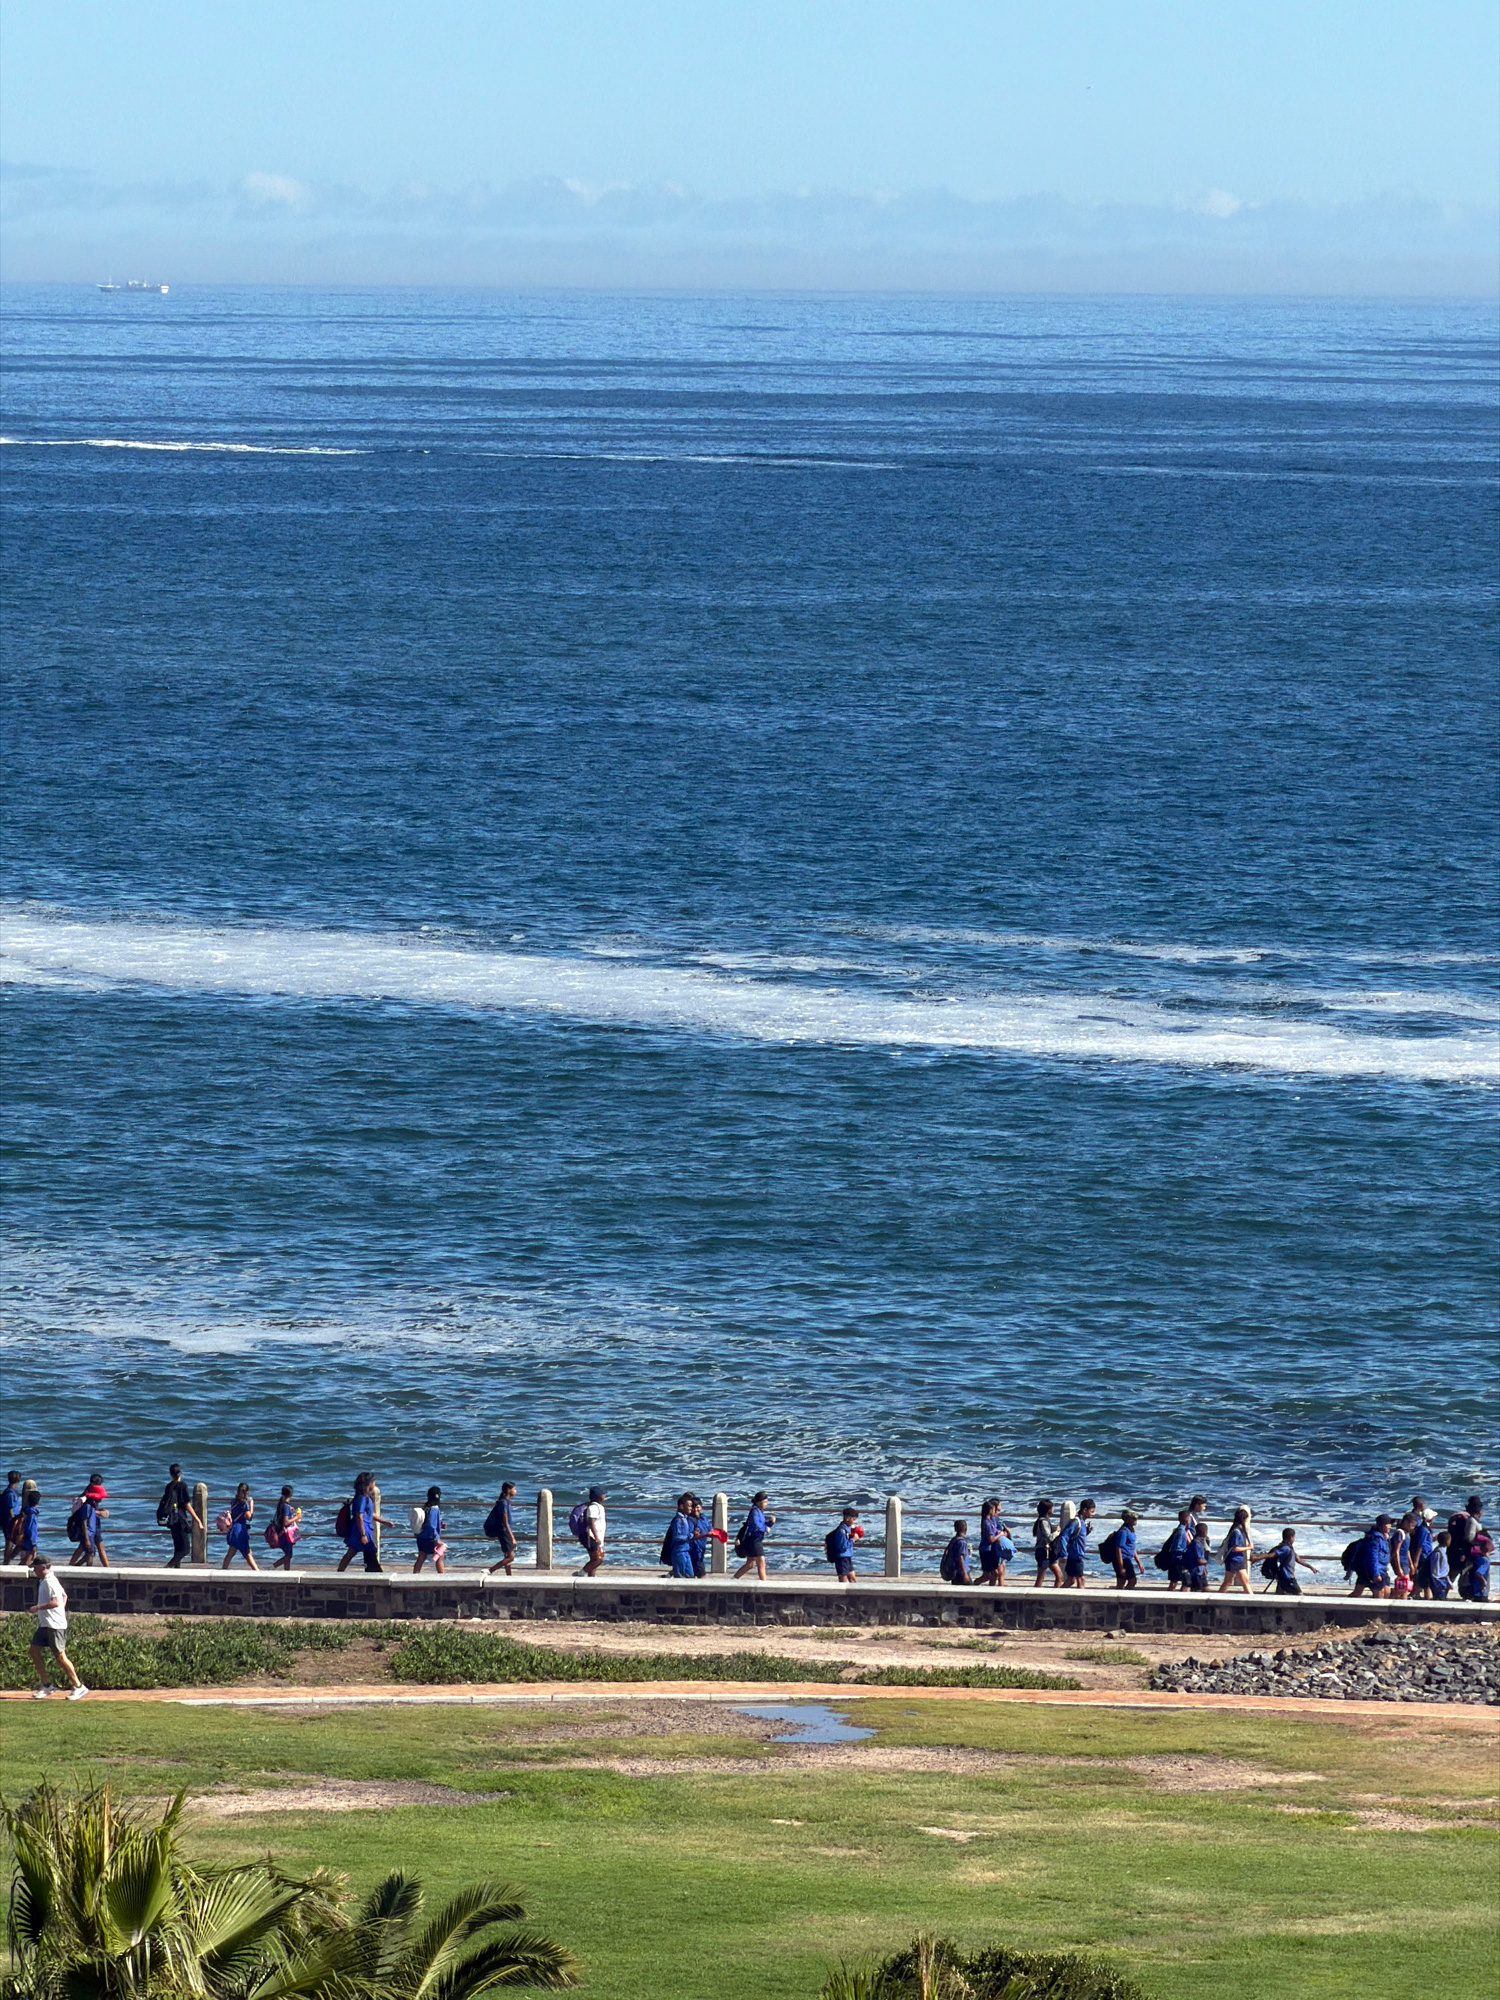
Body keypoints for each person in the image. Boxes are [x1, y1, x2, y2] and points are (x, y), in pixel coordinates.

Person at [29, 1557, 86, 1700]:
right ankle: (47, 1685)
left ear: (43, 1567)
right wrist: (59, 1610)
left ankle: (79, 1686)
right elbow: (64, 1596)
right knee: (34, 1651)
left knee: (60, 1656)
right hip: (45, 1624)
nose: (34, 1570)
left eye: (35, 1567)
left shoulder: (50, 1581)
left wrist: (37, 1608)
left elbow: (55, 1602)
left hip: (55, 1625)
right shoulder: (45, 1580)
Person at [337, 1472, 388, 1574]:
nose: (375, 1483)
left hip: (364, 1528)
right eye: (373, 1482)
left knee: (361, 1551)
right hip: (361, 1529)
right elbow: (359, 1516)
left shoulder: (365, 1497)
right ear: (369, 1483)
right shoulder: (362, 1498)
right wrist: (363, 1535)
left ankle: (371, 1570)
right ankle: (340, 1572)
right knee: (354, 1551)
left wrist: (384, 1521)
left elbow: (369, 1514)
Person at [158, 1464, 203, 1568]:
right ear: (180, 1473)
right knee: (185, 1549)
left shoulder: (169, 1486)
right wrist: (198, 1520)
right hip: (180, 1519)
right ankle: (169, 1566)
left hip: (171, 1520)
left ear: (170, 1474)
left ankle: (176, 1569)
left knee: (178, 1548)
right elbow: (187, 1505)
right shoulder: (182, 1486)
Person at [733, 1491, 775, 1581]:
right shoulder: (754, 1511)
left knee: (750, 1564)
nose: (766, 1504)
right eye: (765, 1502)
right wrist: (766, 1528)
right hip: (753, 1540)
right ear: (759, 1502)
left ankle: (733, 1579)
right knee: (761, 1561)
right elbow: (756, 1525)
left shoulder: (760, 1511)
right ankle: (764, 1583)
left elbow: (762, 1524)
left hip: (756, 1539)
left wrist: (770, 1523)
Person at [68, 1477, 109, 1567]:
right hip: (89, 1525)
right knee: (89, 1550)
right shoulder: (87, 1498)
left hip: (93, 1524)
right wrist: (99, 1512)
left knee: (94, 1547)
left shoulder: (89, 1493)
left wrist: (101, 1511)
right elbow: (85, 1512)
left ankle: (73, 1565)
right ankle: (74, 1565)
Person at [1350, 1515, 1393, 1599]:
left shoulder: (1384, 1538)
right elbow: (1372, 1558)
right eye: (1387, 1524)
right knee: (1378, 1593)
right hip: (1372, 1570)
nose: (1390, 1526)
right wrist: (1375, 1574)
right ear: (1381, 1525)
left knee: (1387, 1591)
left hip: (1382, 1569)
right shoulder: (1374, 1539)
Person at [1266, 1527, 1318, 1595]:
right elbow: (1271, 1555)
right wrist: (1256, 1557)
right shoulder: (1286, 1548)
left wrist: (1310, 1567)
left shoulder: (1289, 1548)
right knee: (1299, 1594)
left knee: (1279, 1594)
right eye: (1294, 1537)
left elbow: (1298, 1559)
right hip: (1288, 1577)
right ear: (1291, 1537)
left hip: (1282, 1577)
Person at [222, 1483, 258, 1569]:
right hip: (240, 1530)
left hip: (233, 1529)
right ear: (247, 1492)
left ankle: (223, 1569)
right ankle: (257, 1572)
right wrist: (251, 1506)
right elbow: (249, 1518)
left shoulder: (234, 1501)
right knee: (247, 1553)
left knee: (231, 1552)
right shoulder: (244, 1505)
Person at [1060, 1500, 1095, 1588]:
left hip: (1076, 1556)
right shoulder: (1076, 1522)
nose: (1093, 1514)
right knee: (1080, 1580)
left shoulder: (1082, 1523)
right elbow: (1063, 1537)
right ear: (1084, 1510)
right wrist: (1063, 1555)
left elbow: (1078, 1537)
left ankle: (1058, 1593)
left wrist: (1087, 1531)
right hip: (1075, 1556)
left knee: (1071, 1580)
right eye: (1091, 1511)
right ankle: (1080, 1596)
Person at [486, 1482, 518, 1575]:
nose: (515, 1491)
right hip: (504, 1532)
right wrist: (512, 1537)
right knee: (511, 1557)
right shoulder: (503, 1503)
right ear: (508, 1490)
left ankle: (509, 1576)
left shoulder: (506, 1502)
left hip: (505, 1531)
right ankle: (490, 1570)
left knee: (507, 1556)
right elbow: (505, 1522)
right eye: (514, 1489)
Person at [1219, 1507, 1253, 1594]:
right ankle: (1253, 1599)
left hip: (1236, 1560)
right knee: (1234, 1582)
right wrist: (1248, 1548)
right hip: (1235, 1560)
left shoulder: (1236, 1530)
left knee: (1231, 1581)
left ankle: (1218, 1596)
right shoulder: (1237, 1532)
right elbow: (1235, 1548)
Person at [977, 1500, 1012, 1586]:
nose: (995, 1512)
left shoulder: (990, 1521)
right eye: (994, 1509)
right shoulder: (986, 1523)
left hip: (991, 1550)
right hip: (986, 1550)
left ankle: (991, 1589)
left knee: (994, 1573)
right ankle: (973, 1585)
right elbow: (991, 1539)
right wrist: (1001, 1534)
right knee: (987, 1575)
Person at [413, 1486, 447, 1573]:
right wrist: (436, 1539)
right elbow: (431, 1525)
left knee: (421, 1557)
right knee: (439, 1557)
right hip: (431, 1537)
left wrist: (440, 1524)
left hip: (421, 1536)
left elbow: (426, 1521)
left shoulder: (426, 1507)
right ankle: (442, 1576)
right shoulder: (435, 1508)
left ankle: (415, 1575)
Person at [1105, 1510, 1142, 1589]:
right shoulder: (1123, 1532)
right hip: (1122, 1559)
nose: (1135, 1520)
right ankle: (1122, 1594)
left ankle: (1120, 1594)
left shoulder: (1131, 1530)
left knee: (1122, 1581)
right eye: (1133, 1518)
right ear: (1127, 1519)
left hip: (1127, 1559)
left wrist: (1139, 1563)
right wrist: (1121, 1567)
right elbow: (1118, 1549)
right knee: (1131, 1581)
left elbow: (1132, 1547)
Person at [663, 1493, 696, 1578]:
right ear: (681, 1506)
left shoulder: (684, 1519)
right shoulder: (678, 1520)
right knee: (680, 1576)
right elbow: (677, 1537)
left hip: (685, 1550)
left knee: (690, 1575)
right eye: (689, 1506)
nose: (691, 1508)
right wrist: (690, 1536)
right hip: (679, 1552)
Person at [1031, 1500, 1062, 1588]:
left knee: (1059, 1575)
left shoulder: (1044, 1521)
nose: (1053, 1509)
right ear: (1048, 1509)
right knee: (1041, 1577)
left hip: (1048, 1552)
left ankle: (1056, 1593)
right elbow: (1049, 1537)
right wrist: (1057, 1532)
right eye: (1052, 1507)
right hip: (1044, 1552)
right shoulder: (1043, 1522)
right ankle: (1034, 1595)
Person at [1159, 1510, 1192, 1590]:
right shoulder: (1181, 1532)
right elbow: (1177, 1548)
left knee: (1175, 1581)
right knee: (1181, 1582)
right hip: (1177, 1560)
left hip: (1175, 1559)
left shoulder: (1179, 1530)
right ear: (1187, 1519)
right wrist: (1185, 1553)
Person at [269, 1485, 300, 1570]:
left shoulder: (282, 1504)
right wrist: (296, 1517)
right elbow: (286, 1522)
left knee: (288, 1553)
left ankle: (287, 1571)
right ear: (291, 1494)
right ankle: (272, 1567)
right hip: (286, 1534)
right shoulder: (286, 1506)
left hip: (281, 1532)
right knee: (289, 1555)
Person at [826, 1507, 861, 1583]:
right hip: (842, 1557)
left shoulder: (847, 1530)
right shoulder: (841, 1531)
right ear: (847, 1518)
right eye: (853, 1519)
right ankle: (843, 1589)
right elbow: (842, 1547)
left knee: (852, 1578)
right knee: (843, 1577)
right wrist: (853, 1540)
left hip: (847, 1556)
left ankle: (854, 1589)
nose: (854, 1522)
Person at [1409, 1508, 1436, 1598]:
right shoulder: (1423, 1530)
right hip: (1423, 1556)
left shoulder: (1426, 1529)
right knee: (1423, 1577)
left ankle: (1418, 1594)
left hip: (1426, 1555)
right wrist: (1415, 1562)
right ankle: (1415, 1594)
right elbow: (1420, 1545)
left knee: (1425, 1577)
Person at [12, 1483, 41, 1566]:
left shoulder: (26, 1511)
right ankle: (21, 1569)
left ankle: (16, 1565)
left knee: (27, 1556)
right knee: (30, 1556)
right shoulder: (32, 1514)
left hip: (25, 1537)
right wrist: (33, 1543)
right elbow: (31, 1529)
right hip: (30, 1539)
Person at [1458, 1532, 1491, 1603]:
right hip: (1481, 1591)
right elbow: (1478, 1573)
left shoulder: (1477, 1559)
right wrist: (1483, 1582)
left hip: (1474, 1589)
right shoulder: (1486, 1561)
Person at [1180, 1520, 1211, 1592]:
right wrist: (1207, 1561)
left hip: (1200, 1570)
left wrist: (1204, 1568)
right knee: (1196, 1589)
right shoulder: (1196, 1543)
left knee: (1206, 1588)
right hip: (1194, 1571)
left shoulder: (1201, 1541)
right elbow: (1199, 1560)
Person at [940, 1518, 972, 1586]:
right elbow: (960, 1557)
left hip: (955, 1571)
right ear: (965, 1529)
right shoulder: (962, 1542)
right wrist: (964, 1573)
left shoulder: (954, 1540)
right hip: (962, 1572)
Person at [0, 1470, 23, 1563]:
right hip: (10, 1520)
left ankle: (8, 1559)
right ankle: (7, 1560)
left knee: (11, 1541)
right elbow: (10, 1509)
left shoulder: (12, 1491)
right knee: (10, 1541)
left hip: (11, 1519)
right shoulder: (10, 1493)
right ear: (18, 1480)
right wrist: (14, 1520)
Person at [689, 1495, 712, 1577]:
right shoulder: (690, 1520)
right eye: (693, 1507)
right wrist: (697, 1534)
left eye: (697, 1507)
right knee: (701, 1574)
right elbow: (690, 1537)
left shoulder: (704, 1518)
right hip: (693, 1550)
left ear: (701, 1507)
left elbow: (710, 1529)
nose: (696, 1509)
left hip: (701, 1550)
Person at [1429, 1530, 1452, 1599]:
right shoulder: (1438, 1552)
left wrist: (1448, 1581)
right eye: (1449, 1540)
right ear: (1446, 1541)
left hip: (1443, 1579)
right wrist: (1435, 1580)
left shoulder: (1443, 1551)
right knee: (1438, 1597)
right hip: (1438, 1580)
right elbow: (1435, 1568)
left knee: (1442, 1597)